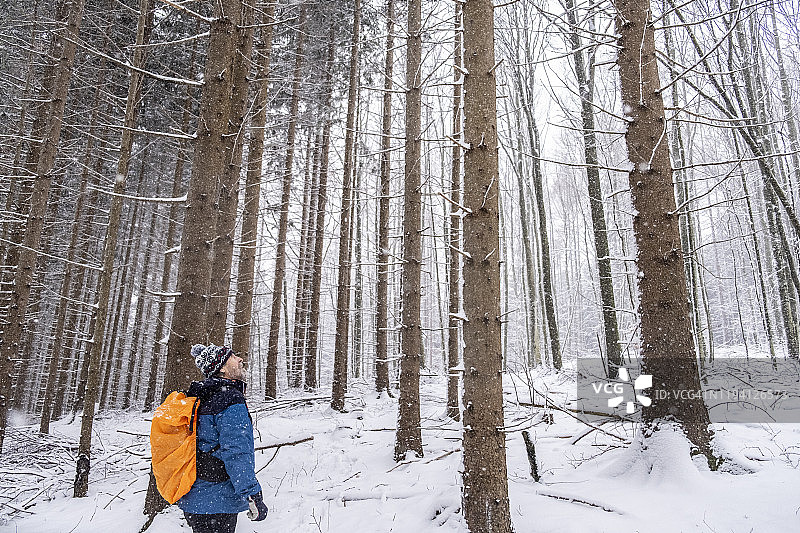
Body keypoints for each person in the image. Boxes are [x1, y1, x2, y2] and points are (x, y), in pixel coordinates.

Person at [177, 343, 269, 533]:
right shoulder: (229, 399)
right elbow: (236, 452)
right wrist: (252, 494)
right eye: (233, 357)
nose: (240, 359)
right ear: (222, 368)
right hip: (217, 500)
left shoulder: (201, 397)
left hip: (196, 498)